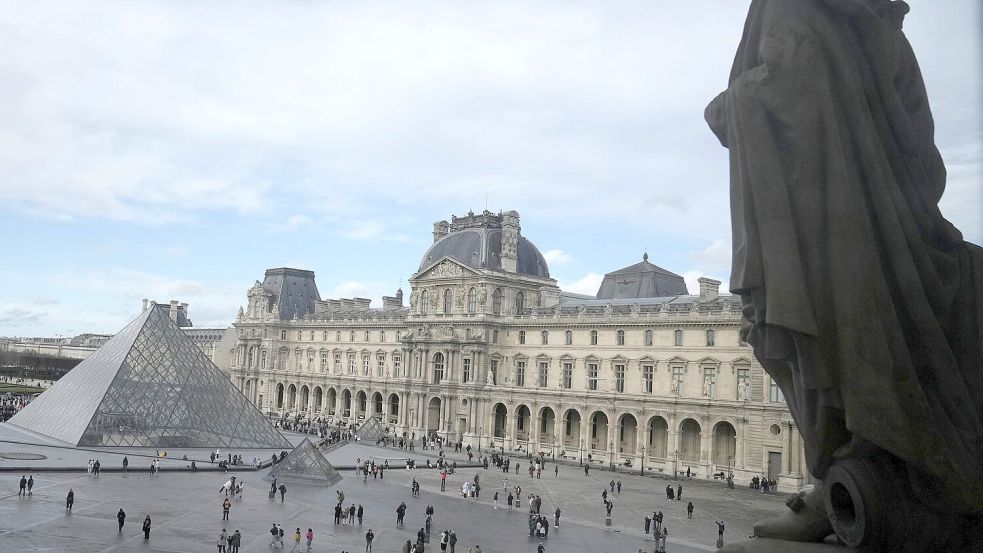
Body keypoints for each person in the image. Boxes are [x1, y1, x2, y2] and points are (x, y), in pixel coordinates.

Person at [705, 2, 983, 549]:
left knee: (803, 338)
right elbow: (920, 144)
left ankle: (839, 475)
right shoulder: (884, 29)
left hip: (827, 221)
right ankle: (852, 477)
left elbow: (786, 86)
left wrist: (725, 109)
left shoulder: (791, 6)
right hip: (893, 218)